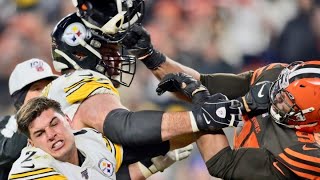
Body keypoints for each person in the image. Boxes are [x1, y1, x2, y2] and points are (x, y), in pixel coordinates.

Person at [115, 23, 320, 178]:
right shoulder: (274, 76)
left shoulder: (306, 153)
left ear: (308, 117)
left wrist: (202, 100)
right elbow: (202, 83)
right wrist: (150, 56)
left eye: (286, 100)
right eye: (280, 88)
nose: (275, 97)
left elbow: (222, 163)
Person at [9, 96, 143, 179]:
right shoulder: (29, 170)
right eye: (40, 133)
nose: (51, 135)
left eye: (54, 124)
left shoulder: (92, 140)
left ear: (68, 120)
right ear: (32, 145)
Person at [0, 58, 58, 180]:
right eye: (37, 89)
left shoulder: (65, 121)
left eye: (48, 86)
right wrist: (32, 115)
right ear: (19, 99)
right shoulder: (4, 124)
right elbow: (8, 153)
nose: (45, 93)